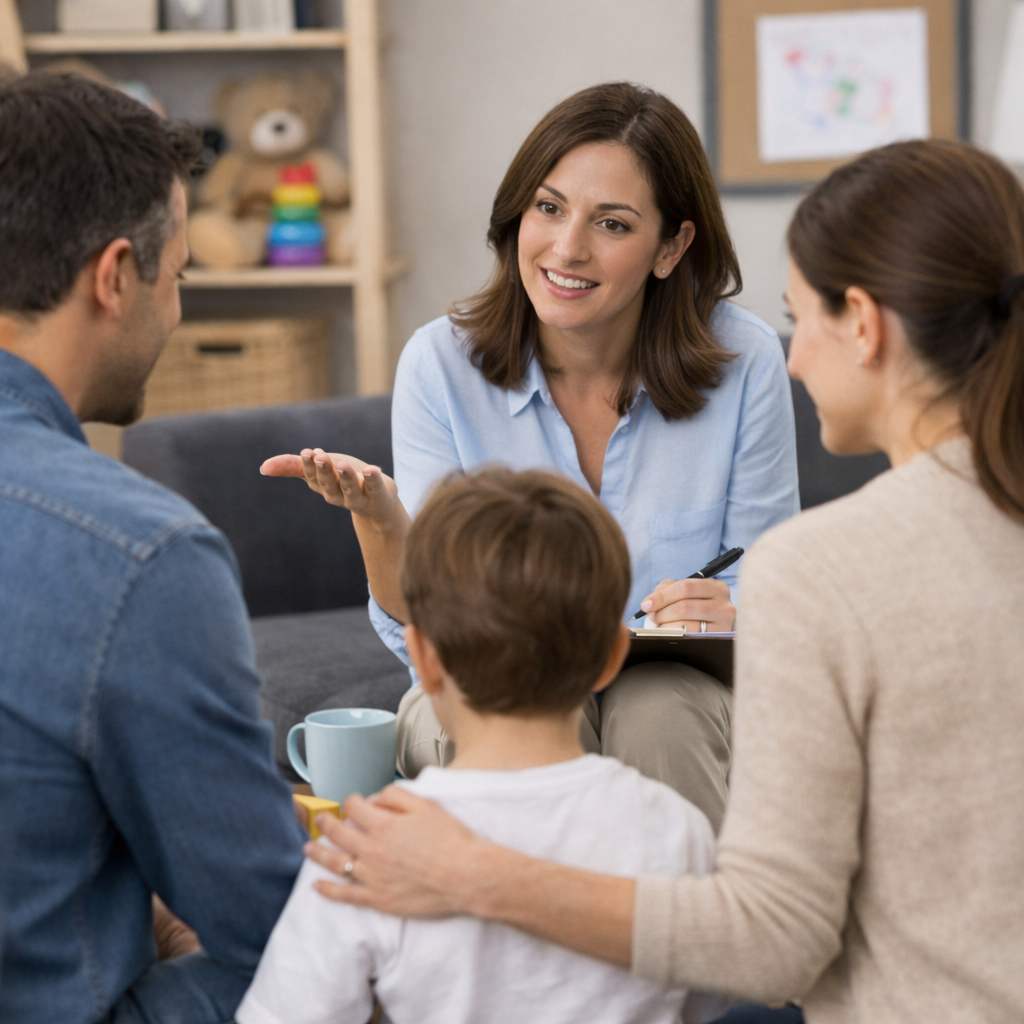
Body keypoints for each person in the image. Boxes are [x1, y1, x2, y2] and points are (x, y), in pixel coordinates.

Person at [303, 138, 1024, 1022]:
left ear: (865, 325)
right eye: (549, 209)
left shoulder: (827, 565)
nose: (790, 360)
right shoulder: (931, 544)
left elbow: (774, 936)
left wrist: (478, 874)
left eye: (801, 321)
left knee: (661, 715)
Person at [263, 82, 799, 832]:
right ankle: (526, 943)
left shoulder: (745, 361)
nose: (568, 248)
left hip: (676, 684)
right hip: (489, 675)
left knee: (659, 718)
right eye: (548, 208)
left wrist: (740, 606)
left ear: (672, 247)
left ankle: (691, 942)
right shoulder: (438, 366)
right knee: (528, 727)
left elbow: (768, 580)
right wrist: (384, 522)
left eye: (612, 223)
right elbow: (430, 622)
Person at [0, 74, 305, 1023]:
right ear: (116, 275)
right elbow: (274, 922)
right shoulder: (140, 551)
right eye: (177, 280)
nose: (174, 315)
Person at [236, 467, 730, 1024]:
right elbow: (711, 1002)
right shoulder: (678, 828)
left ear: (422, 658)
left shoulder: (369, 846)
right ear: (614, 656)